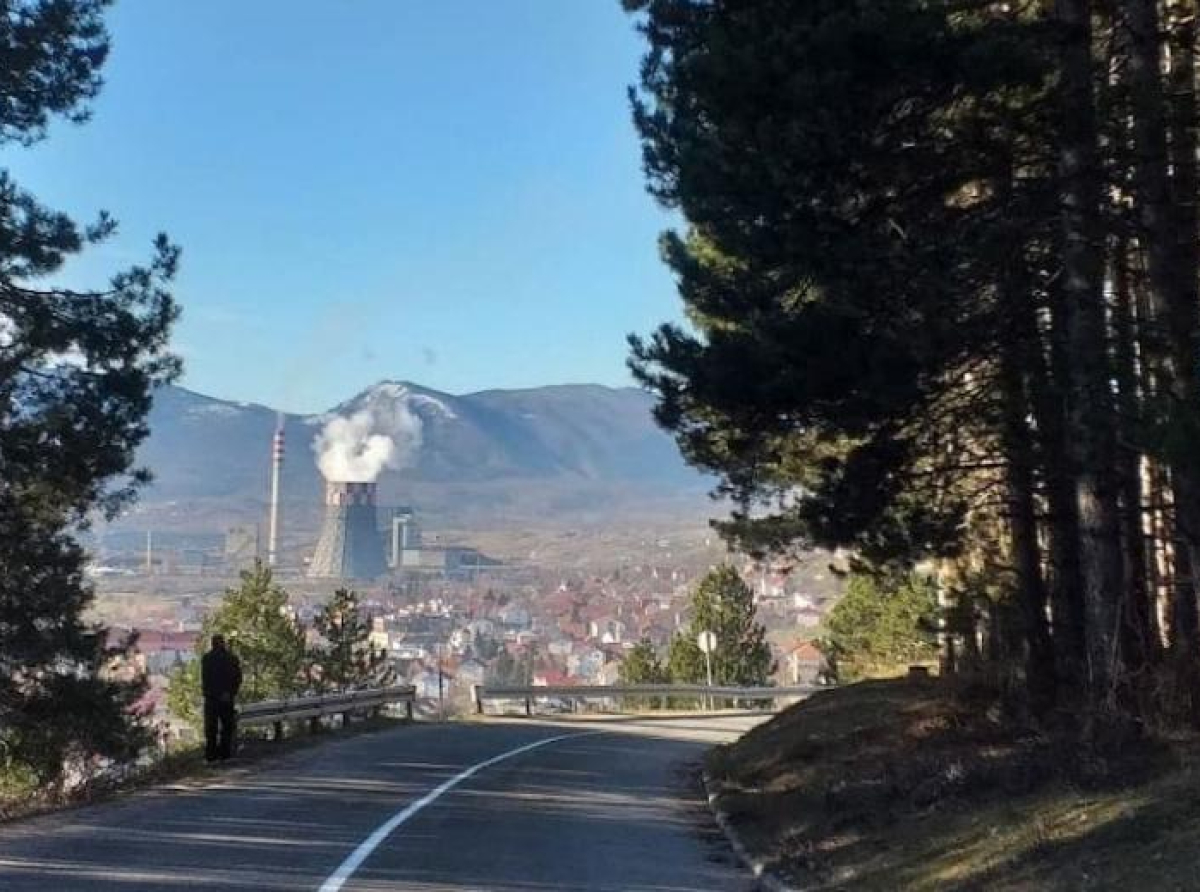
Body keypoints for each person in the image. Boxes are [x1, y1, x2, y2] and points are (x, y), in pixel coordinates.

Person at [201, 634, 242, 762]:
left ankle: (211, 755)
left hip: (211, 698)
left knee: (211, 728)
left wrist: (209, 693)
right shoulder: (232, 658)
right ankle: (225, 754)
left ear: (212, 644)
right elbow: (238, 678)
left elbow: (205, 679)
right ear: (223, 643)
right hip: (226, 698)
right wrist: (231, 692)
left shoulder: (207, 659)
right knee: (227, 727)